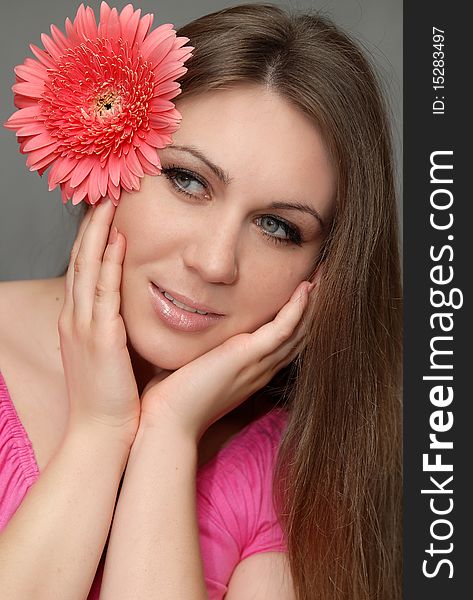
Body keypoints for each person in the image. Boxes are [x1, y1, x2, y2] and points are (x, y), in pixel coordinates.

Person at [0, 3, 402, 599]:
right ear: (110, 154)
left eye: (276, 227)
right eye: (188, 181)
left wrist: (165, 434)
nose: (214, 262)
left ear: (324, 271)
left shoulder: (301, 475)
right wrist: (100, 430)